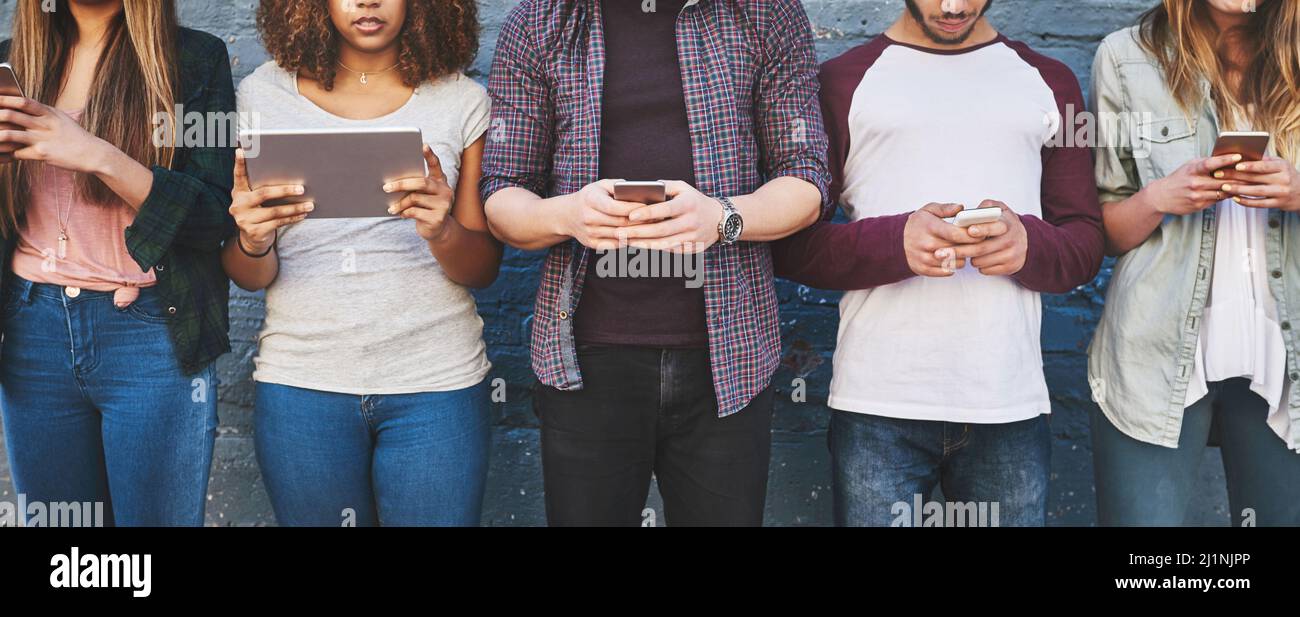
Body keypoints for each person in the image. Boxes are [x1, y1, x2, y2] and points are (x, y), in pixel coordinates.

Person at [481, 0, 830, 526]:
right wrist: (568, 215)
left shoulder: (765, 13)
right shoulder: (541, 21)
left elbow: (805, 175)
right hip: (583, 359)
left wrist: (722, 218)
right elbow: (503, 193)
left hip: (729, 359)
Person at [772, 0, 1104, 526]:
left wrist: (1029, 246)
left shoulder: (1050, 81)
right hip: (877, 403)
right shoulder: (842, 81)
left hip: (1008, 402)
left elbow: (1086, 242)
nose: (953, 6)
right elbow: (789, 245)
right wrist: (893, 244)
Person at [227, 0, 500, 526]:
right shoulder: (262, 94)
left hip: (437, 384)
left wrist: (442, 230)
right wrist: (253, 240)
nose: (367, 2)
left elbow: (483, 269)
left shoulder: (461, 100)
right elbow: (248, 273)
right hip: (301, 382)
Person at [0, 0, 236, 526]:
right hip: (31, 330)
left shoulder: (197, 60)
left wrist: (97, 154)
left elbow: (214, 219)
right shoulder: (11, 65)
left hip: (151, 330)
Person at [1088, 0, 1300, 526]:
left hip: (1284, 355)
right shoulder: (1126, 57)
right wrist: (1159, 197)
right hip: (1155, 352)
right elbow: (1104, 233)